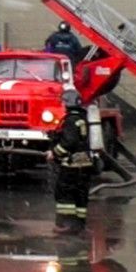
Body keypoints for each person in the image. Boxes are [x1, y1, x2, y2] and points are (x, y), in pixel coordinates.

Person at [47, 89, 94, 234]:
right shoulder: (83, 118)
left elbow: (69, 142)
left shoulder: (70, 120)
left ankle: (65, 224)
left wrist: (54, 153)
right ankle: (80, 224)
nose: (62, 104)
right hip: (85, 164)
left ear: (67, 103)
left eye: (63, 102)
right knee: (81, 195)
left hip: (71, 165)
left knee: (65, 193)